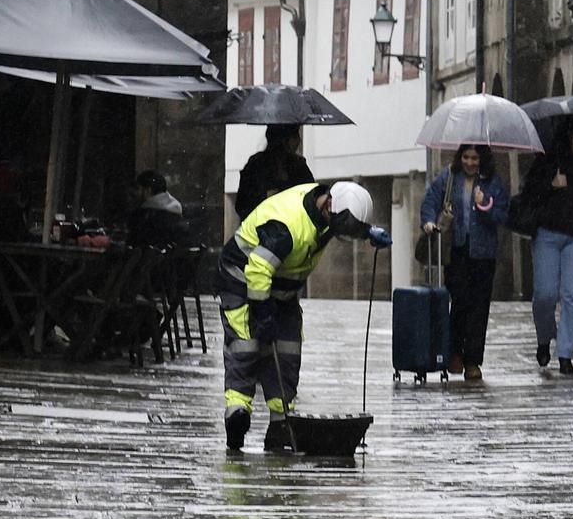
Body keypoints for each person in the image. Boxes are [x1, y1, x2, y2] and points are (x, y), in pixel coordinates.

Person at [217, 181, 392, 451]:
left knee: (286, 351)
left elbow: (345, 222)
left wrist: (368, 232)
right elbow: (259, 270)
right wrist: (262, 312)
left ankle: (281, 423)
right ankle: (237, 415)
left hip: (282, 288)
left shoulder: (329, 209)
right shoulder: (286, 226)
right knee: (246, 346)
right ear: (329, 206)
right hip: (242, 280)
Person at [420, 144, 510, 381]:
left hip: (483, 254)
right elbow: (431, 200)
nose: (470, 162)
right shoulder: (449, 176)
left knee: (479, 307)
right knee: (459, 302)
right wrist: (429, 221)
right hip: (457, 250)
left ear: (482, 160)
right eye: (467, 157)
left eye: (475, 158)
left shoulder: (493, 182)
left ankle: (473, 360)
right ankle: (455, 352)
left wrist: (483, 205)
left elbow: (501, 215)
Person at [519, 116, 573, 375]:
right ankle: (545, 336)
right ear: (572, 135)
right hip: (548, 234)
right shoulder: (547, 161)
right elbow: (529, 194)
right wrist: (551, 186)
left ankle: (565, 353)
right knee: (545, 294)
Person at [234, 124, 315, 221]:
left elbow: (311, 199)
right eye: (295, 136)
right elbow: (243, 205)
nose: (299, 141)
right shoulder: (256, 166)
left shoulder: (298, 166)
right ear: (285, 140)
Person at [126, 170, 183, 247]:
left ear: (148, 191)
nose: (135, 194)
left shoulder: (141, 217)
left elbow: (132, 246)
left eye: (137, 189)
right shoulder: (177, 215)